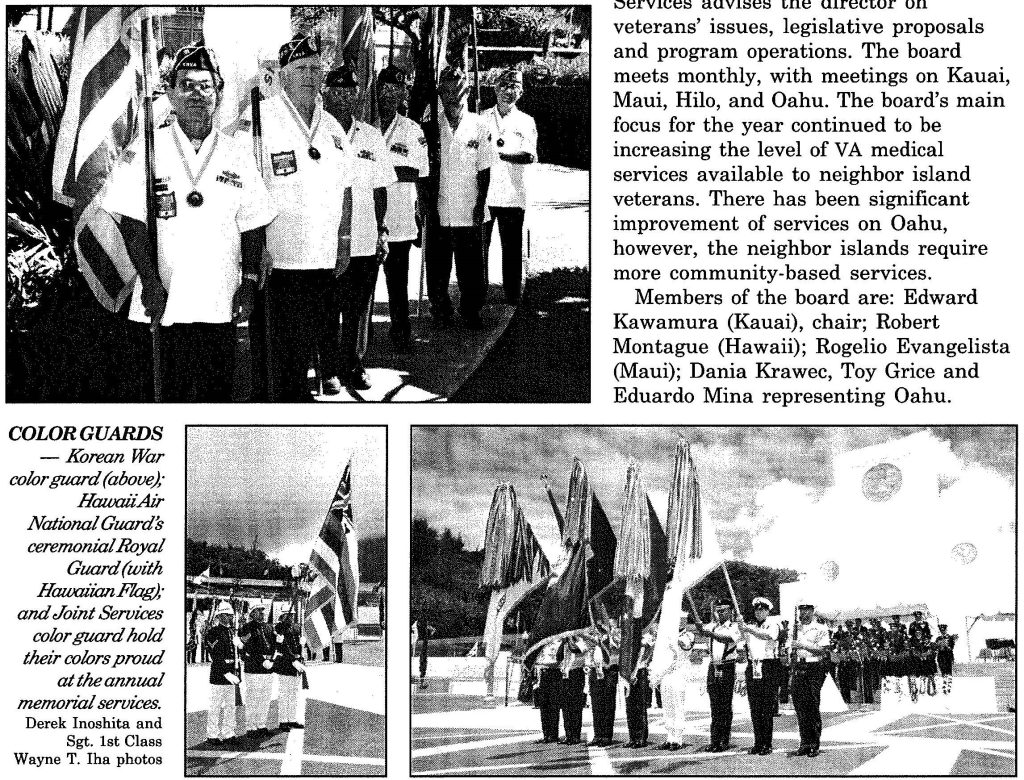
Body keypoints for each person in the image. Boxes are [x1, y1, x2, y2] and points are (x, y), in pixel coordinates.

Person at [105, 44, 274, 402]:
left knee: (217, 395)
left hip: (220, 297)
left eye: (206, 86)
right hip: (166, 298)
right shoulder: (146, 150)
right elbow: (131, 222)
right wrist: (150, 282)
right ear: (170, 93)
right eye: (186, 85)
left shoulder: (237, 153)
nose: (197, 94)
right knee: (169, 395)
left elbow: (254, 222)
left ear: (219, 94)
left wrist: (248, 281)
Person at [252, 35, 352, 401]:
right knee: (275, 349)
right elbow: (246, 191)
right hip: (278, 259)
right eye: (301, 69)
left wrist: (343, 243)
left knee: (308, 342)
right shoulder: (260, 119)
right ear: (282, 75)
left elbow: (345, 189)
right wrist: (256, 246)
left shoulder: (332, 128)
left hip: (322, 258)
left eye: (315, 68)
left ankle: (295, 403)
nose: (310, 76)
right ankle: (270, 410)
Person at [322, 64, 395, 391]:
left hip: (364, 237)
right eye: (336, 91)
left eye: (349, 91)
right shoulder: (317, 131)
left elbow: (381, 188)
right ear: (326, 93)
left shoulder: (371, 136)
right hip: (327, 240)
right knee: (328, 307)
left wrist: (382, 231)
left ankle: (354, 363)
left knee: (356, 308)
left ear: (357, 95)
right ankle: (328, 369)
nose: (343, 97)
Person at [423, 65, 493, 329]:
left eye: (459, 89)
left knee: (471, 266)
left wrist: (480, 204)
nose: (453, 95)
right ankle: (440, 308)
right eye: (447, 89)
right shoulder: (430, 127)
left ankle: (471, 309)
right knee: (438, 265)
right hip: (440, 207)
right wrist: (425, 205)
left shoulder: (479, 125)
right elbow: (424, 171)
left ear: (467, 90)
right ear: (440, 92)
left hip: (470, 206)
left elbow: (484, 170)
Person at [376, 64, 430, 351]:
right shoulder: (365, 125)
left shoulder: (412, 129)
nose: (389, 95)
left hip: (399, 218)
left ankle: (401, 332)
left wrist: (379, 169)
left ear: (403, 94)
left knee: (398, 285)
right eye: (385, 88)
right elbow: (404, 170)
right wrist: (397, 169)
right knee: (362, 286)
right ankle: (360, 340)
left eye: (396, 90)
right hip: (366, 219)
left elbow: (419, 172)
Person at [481, 68, 537, 305]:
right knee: (480, 247)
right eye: (504, 85)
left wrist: (500, 155)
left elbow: (529, 155)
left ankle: (512, 295)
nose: (508, 91)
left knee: (512, 248)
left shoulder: (526, 121)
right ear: (495, 88)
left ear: (521, 91)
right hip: (484, 194)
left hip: (513, 194)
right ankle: (478, 292)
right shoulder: (481, 118)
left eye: (514, 86)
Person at [693, 599, 742, 752]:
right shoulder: (712, 626)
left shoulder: (735, 627)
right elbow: (702, 631)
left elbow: (726, 639)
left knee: (725, 705)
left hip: (727, 666)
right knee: (714, 706)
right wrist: (698, 624)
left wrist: (708, 632)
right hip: (713, 666)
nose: (721, 613)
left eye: (724, 610)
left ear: (730, 612)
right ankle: (714, 740)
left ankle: (724, 740)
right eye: (718, 610)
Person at [739, 597, 783, 755]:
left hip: (768, 666)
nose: (759, 612)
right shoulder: (749, 626)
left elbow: (766, 636)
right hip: (753, 666)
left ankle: (767, 743)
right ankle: (758, 742)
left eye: (762, 609)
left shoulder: (773, 625)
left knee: (766, 707)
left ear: (768, 611)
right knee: (755, 708)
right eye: (757, 609)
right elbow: (740, 638)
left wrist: (748, 629)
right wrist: (740, 625)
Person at [788, 602, 831, 757]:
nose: (803, 613)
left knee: (812, 705)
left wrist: (802, 645)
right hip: (798, 667)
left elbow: (823, 650)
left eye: (807, 610)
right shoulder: (794, 628)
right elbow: (790, 648)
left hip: (814, 668)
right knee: (800, 707)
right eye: (801, 610)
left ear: (813, 611)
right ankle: (804, 742)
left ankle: (814, 743)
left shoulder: (820, 628)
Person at [654, 613, 698, 750]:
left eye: (682, 620)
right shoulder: (667, 635)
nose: (679, 622)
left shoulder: (688, 635)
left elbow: (686, 645)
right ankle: (669, 736)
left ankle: (677, 738)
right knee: (667, 705)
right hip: (667, 672)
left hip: (679, 672)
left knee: (677, 704)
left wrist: (669, 637)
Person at [205, 601, 242, 746]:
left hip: (232, 673)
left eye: (230, 615)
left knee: (230, 707)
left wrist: (240, 644)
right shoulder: (213, 632)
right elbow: (215, 655)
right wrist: (226, 673)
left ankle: (228, 733)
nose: (230, 617)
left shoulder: (232, 631)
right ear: (219, 616)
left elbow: (235, 654)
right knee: (215, 706)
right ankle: (212, 734)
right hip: (219, 674)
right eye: (226, 615)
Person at [239, 605, 275, 740]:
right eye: (258, 611)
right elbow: (247, 648)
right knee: (253, 698)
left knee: (265, 698)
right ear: (252, 613)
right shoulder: (246, 628)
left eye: (262, 611)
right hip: (253, 667)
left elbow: (273, 645)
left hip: (268, 667)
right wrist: (261, 660)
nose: (262, 613)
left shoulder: (269, 627)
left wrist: (272, 659)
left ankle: (261, 724)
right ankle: (251, 727)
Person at [586, 627, 619, 747]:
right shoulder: (591, 633)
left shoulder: (616, 632)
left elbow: (618, 647)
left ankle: (606, 735)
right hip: (595, 670)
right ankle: (597, 734)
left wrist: (608, 637)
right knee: (596, 704)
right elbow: (586, 648)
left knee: (608, 703)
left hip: (609, 669)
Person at [273, 608, 305, 729]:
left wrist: (303, 644)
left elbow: (297, 645)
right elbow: (284, 647)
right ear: (282, 616)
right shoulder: (279, 628)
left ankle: (291, 718)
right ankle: (283, 720)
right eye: (288, 615)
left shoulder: (296, 628)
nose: (291, 617)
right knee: (284, 693)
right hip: (285, 663)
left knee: (293, 693)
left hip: (296, 662)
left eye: (292, 615)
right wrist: (293, 660)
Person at [531, 640, 564, 743]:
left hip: (555, 674)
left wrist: (542, 663)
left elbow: (559, 662)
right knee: (544, 705)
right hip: (543, 674)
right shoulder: (543, 643)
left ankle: (553, 735)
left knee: (554, 705)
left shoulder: (559, 642)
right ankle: (546, 734)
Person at [934, 623, 957, 694]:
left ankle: (949, 685)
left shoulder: (950, 637)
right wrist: (938, 646)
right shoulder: (938, 638)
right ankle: (944, 683)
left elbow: (951, 647)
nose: (942, 632)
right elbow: (936, 647)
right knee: (943, 670)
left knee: (948, 670)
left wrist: (946, 646)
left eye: (944, 630)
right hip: (941, 655)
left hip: (948, 655)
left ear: (946, 630)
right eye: (941, 631)